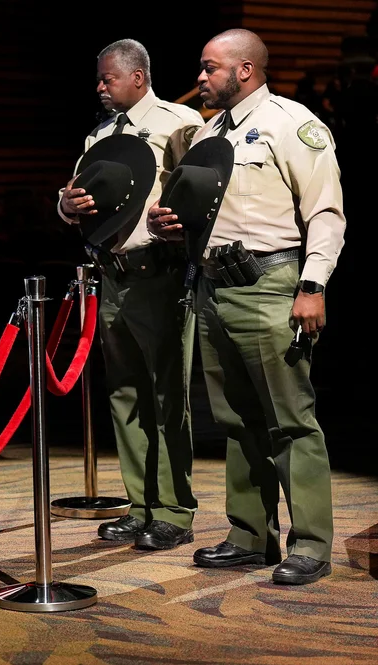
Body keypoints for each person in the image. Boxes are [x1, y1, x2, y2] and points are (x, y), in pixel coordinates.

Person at [149, 29, 345, 585]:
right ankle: (250, 534)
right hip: (213, 284)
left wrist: (313, 286)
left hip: (271, 283)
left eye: (210, 68)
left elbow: (326, 213)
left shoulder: (292, 124)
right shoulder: (209, 133)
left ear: (244, 70)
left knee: (290, 420)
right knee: (235, 420)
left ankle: (311, 543)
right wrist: (174, 225)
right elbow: (206, 214)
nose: (201, 78)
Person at [57, 39, 205, 550]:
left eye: (107, 79)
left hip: (158, 273)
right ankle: (139, 506)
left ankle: (173, 511)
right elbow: (76, 195)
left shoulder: (178, 122)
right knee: (125, 395)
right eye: (99, 80)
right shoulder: (99, 133)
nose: (99, 87)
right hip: (111, 273)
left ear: (137, 77)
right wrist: (66, 206)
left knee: (168, 395)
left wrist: (184, 234)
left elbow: (204, 192)